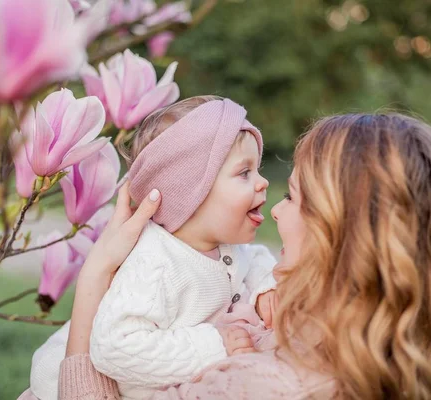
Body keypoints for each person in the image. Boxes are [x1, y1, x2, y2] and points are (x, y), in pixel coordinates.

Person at [55, 113, 431, 400]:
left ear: (340, 231)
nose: (274, 208)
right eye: (245, 174)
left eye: (292, 197)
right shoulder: (387, 352)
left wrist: (95, 276)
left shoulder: (258, 386)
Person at [29, 96, 279, 400]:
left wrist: (266, 288)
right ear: (192, 191)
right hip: (67, 385)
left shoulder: (224, 246)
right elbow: (115, 347)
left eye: (258, 168)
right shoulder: (156, 263)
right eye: (245, 172)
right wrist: (214, 346)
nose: (263, 182)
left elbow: (255, 261)